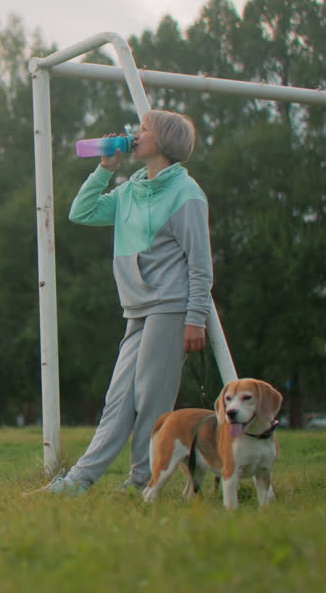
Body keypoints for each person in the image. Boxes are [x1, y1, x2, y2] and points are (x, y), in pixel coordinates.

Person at [43, 108, 212, 496]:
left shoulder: (187, 194)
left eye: (144, 129)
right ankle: (78, 481)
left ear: (164, 142)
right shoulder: (130, 190)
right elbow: (80, 212)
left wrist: (195, 318)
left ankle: (141, 483)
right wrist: (105, 169)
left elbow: (201, 264)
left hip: (170, 307)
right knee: (118, 400)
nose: (135, 134)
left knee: (151, 402)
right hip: (136, 308)